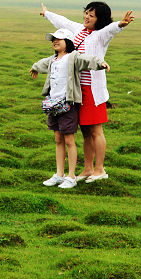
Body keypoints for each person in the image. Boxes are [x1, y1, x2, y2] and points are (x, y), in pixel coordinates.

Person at [40, 2, 134, 183]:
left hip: (93, 89)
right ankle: (88, 168)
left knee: (96, 130)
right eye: (86, 13)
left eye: (92, 15)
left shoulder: (100, 36)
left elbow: (110, 30)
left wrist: (121, 24)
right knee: (84, 131)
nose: (87, 17)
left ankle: (100, 170)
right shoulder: (77, 30)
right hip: (77, 90)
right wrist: (47, 13)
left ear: (100, 19)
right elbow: (62, 22)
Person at [30, 28, 110, 189]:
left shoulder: (73, 57)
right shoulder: (53, 59)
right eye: (53, 39)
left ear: (68, 41)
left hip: (67, 105)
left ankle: (71, 176)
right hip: (53, 104)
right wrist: (35, 67)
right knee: (58, 139)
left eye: (59, 38)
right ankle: (59, 175)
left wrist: (100, 63)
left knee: (69, 140)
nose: (55, 41)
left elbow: (87, 60)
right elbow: (42, 63)